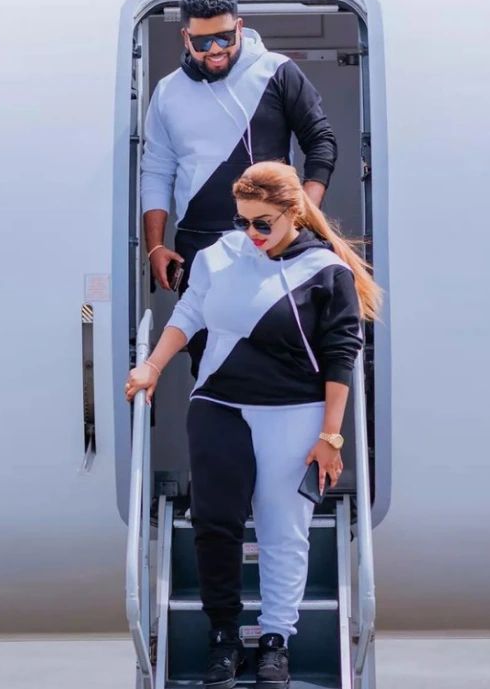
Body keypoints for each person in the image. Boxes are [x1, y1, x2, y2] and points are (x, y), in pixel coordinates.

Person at [126, 162, 381, 688]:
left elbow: (340, 358)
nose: (252, 233)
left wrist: (331, 437)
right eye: (242, 221)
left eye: (263, 222)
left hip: (294, 412)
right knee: (214, 522)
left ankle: (275, 640)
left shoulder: (326, 270)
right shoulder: (219, 256)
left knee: (282, 529)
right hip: (218, 403)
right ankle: (223, 635)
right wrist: (151, 366)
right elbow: (188, 314)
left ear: (294, 213)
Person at [140, 0, 338, 372]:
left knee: (279, 357)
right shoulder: (167, 93)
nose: (216, 50)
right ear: (186, 37)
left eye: (225, 38)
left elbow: (321, 142)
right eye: (203, 42)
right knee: (208, 361)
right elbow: (156, 169)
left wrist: (301, 218)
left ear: (240, 27)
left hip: (271, 238)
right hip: (199, 243)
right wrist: (155, 246)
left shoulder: (277, 71)